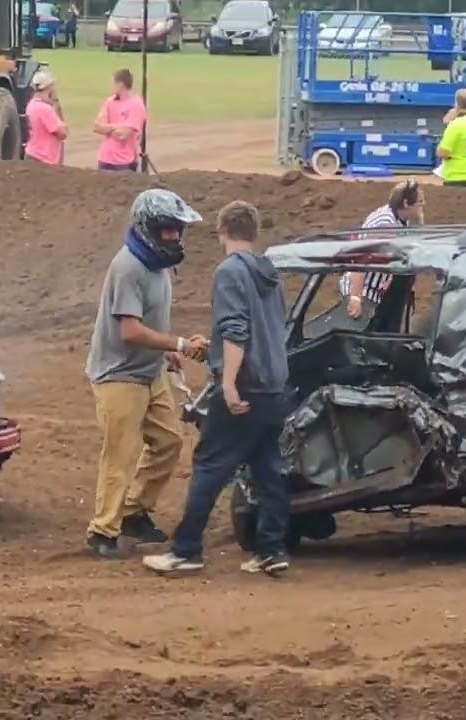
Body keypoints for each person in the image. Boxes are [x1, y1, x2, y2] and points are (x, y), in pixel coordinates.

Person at [143, 201, 292, 577]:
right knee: (269, 468)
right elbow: (267, 327)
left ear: (222, 231)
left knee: (210, 465)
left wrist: (227, 383)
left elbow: (236, 329)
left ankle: (186, 550)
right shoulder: (269, 271)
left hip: (245, 386)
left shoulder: (229, 272)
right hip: (276, 385)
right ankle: (271, 550)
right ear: (253, 232)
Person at [84, 189, 208, 559]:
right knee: (120, 455)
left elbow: (151, 321)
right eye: (167, 229)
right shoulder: (129, 267)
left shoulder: (158, 264)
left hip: (149, 370)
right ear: (147, 228)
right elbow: (130, 331)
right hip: (119, 375)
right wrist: (180, 345)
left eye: (177, 229)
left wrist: (167, 352)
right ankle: (102, 530)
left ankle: (133, 512)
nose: (174, 236)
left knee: (168, 441)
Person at [340, 180, 425, 321]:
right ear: (405, 203)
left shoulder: (400, 219)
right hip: (363, 291)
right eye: (420, 202)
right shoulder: (386, 225)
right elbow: (360, 258)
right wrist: (355, 297)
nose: (423, 205)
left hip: (377, 290)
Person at [93, 68, 147, 172]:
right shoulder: (110, 101)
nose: (112, 87)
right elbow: (96, 126)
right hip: (105, 159)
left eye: (113, 84)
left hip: (124, 162)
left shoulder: (136, 104)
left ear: (120, 85)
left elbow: (123, 134)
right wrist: (119, 126)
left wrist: (107, 128)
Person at [24, 70, 67, 165]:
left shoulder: (31, 105)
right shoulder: (45, 109)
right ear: (49, 87)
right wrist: (56, 104)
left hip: (32, 154)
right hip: (44, 158)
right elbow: (63, 133)